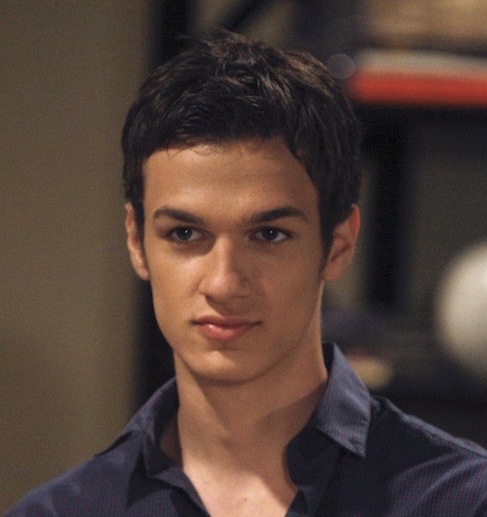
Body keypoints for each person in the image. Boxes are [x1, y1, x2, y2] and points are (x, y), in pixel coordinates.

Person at [7, 31, 487, 517]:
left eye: (269, 235)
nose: (223, 283)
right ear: (137, 241)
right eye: (185, 234)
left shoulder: (462, 502)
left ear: (339, 244)